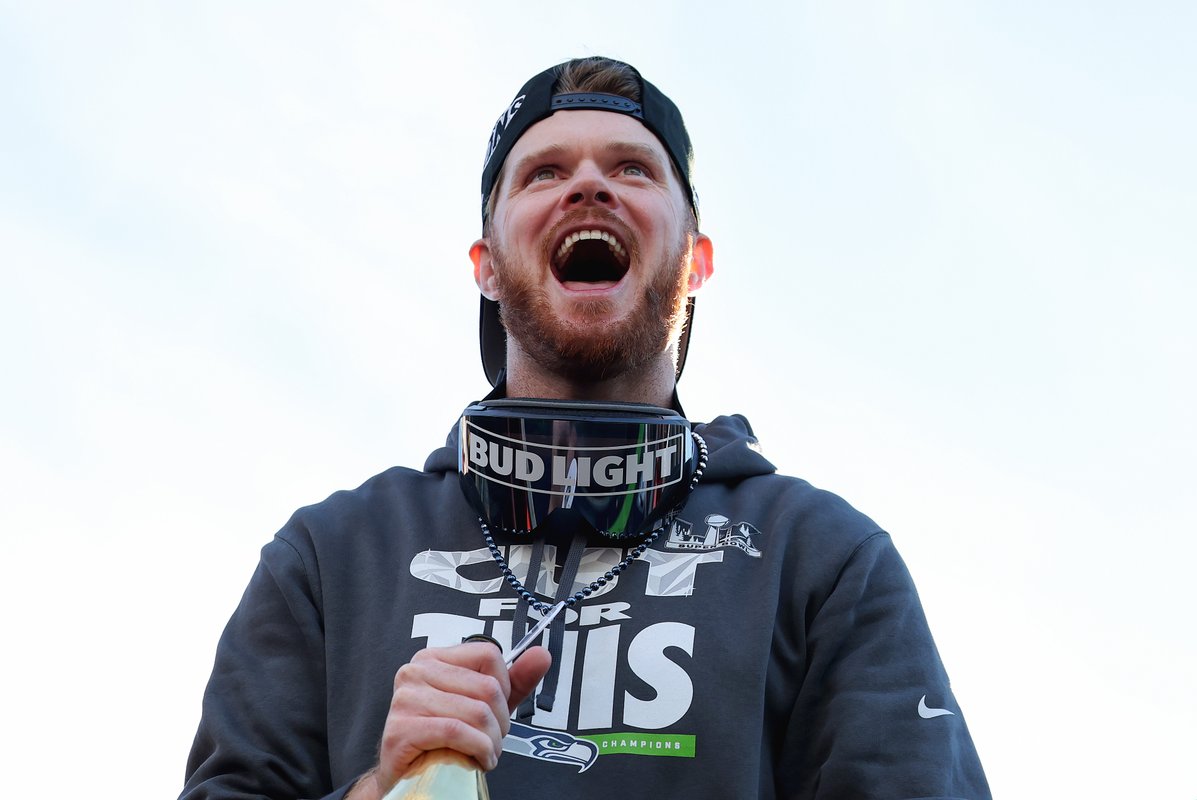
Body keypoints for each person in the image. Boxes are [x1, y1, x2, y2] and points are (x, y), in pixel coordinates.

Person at [181, 56, 991, 799]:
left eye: (632, 168)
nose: (590, 187)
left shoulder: (819, 557)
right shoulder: (333, 555)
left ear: (697, 260)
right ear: (487, 266)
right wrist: (378, 790)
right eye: (544, 172)